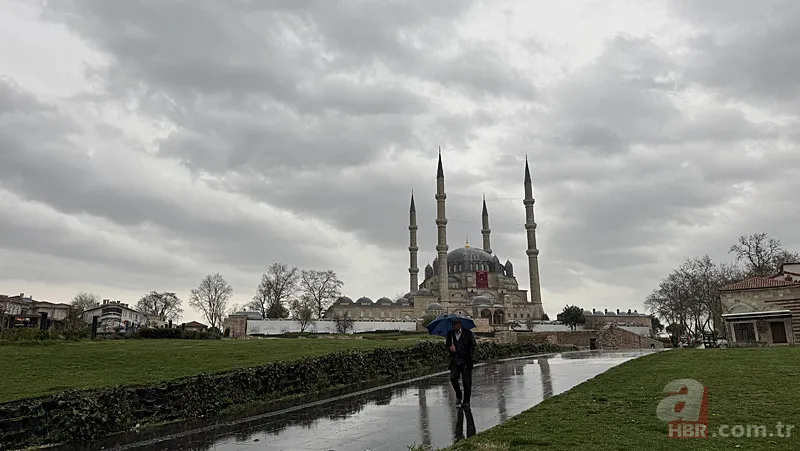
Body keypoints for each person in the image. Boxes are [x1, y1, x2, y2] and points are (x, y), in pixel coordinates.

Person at [445, 318, 477, 407]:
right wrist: (450, 348)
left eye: (455, 324)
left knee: (466, 381)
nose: (454, 326)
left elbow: (474, 346)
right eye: (453, 324)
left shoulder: (468, 333)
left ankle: (466, 400)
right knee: (453, 378)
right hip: (455, 360)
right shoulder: (450, 334)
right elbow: (447, 346)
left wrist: (472, 358)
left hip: (466, 360)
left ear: (459, 324)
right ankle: (458, 395)